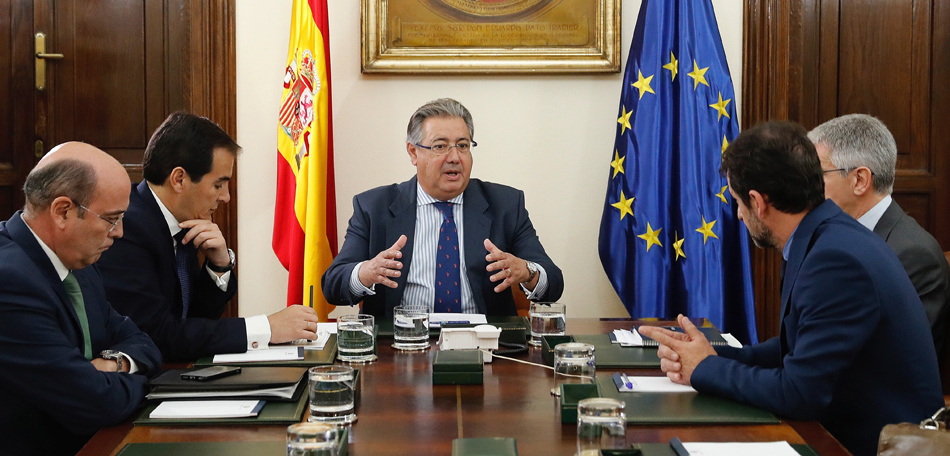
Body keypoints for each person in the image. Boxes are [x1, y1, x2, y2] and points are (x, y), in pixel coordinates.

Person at [639, 121, 943, 456]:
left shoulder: (836, 259)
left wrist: (707, 369)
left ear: (758, 202)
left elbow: (799, 393)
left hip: (872, 447)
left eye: (737, 202)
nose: (738, 216)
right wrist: (710, 355)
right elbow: (796, 347)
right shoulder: (820, 236)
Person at [97, 112, 319, 362]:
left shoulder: (182, 220)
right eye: (218, 185)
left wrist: (219, 265)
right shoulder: (127, 230)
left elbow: (195, 321)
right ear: (179, 179)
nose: (226, 197)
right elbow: (157, 336)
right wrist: (266, 328)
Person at [322, 98, 563, 317]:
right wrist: (365, 272)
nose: (454, 157)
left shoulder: (506, 205)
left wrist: (526, 272)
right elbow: (332, 286)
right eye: (440, 146)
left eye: (462, 145)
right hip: (400, 345)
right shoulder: (374, 208)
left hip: (486, 347)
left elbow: (554, 284)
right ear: (413, 152)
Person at [0, 142, 162, 455]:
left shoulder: (77, 263)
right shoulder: (9, 282)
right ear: (63, 211)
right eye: (112, 218)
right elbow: (97, 402)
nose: (119, 233)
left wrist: (113, 364)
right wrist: (147, 381)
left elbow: (139, 339)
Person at [808, 114, 950, 357]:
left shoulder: (913, 255)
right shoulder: (829, 238)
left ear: (860, 180)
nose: (808, 187)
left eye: (816, 175)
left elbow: (896, 361)